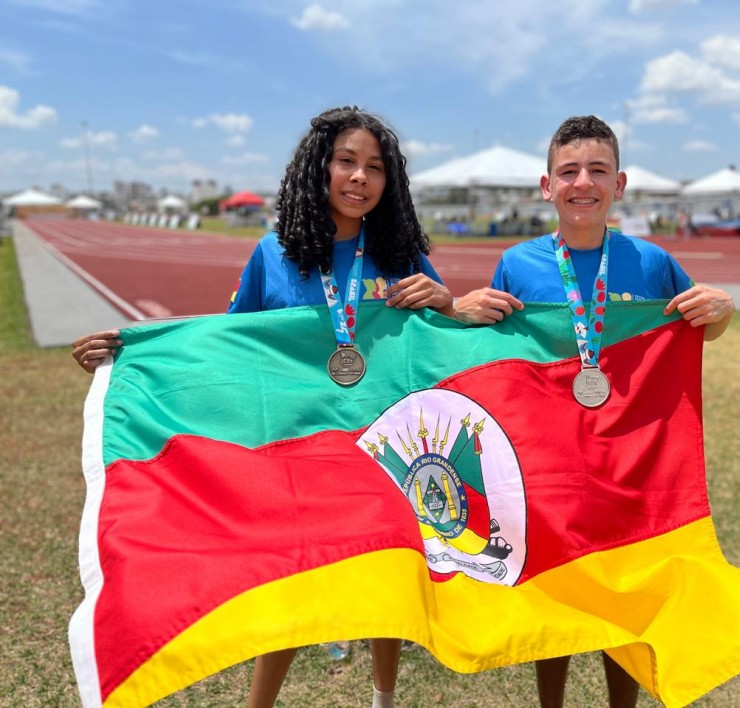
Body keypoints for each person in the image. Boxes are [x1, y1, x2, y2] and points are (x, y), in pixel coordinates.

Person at [72, 106, 457, 708]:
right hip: (297, 445)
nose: (359, 178)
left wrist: (444, 298)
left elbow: (448, 336)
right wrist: (133, 349)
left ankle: (384, 698)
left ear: (391, 181)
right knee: (288, 582)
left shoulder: (400, 253)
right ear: (318, 169)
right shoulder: (274, 252)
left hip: (382, 444)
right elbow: (226, 344)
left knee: (390, 577)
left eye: (375, 167)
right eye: (346, 162)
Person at [455, 115, 735, 707]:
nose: (583, 182)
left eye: (598, 170)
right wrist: (463, 308)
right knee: (557, 589)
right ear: (546, 185)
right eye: (569, 171)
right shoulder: (517, 263)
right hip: (549, 460)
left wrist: (722, 310)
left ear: (621, 183)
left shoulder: (652, 262)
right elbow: (498, 355)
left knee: (622, 592)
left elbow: (697, 334)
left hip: (628, 456)